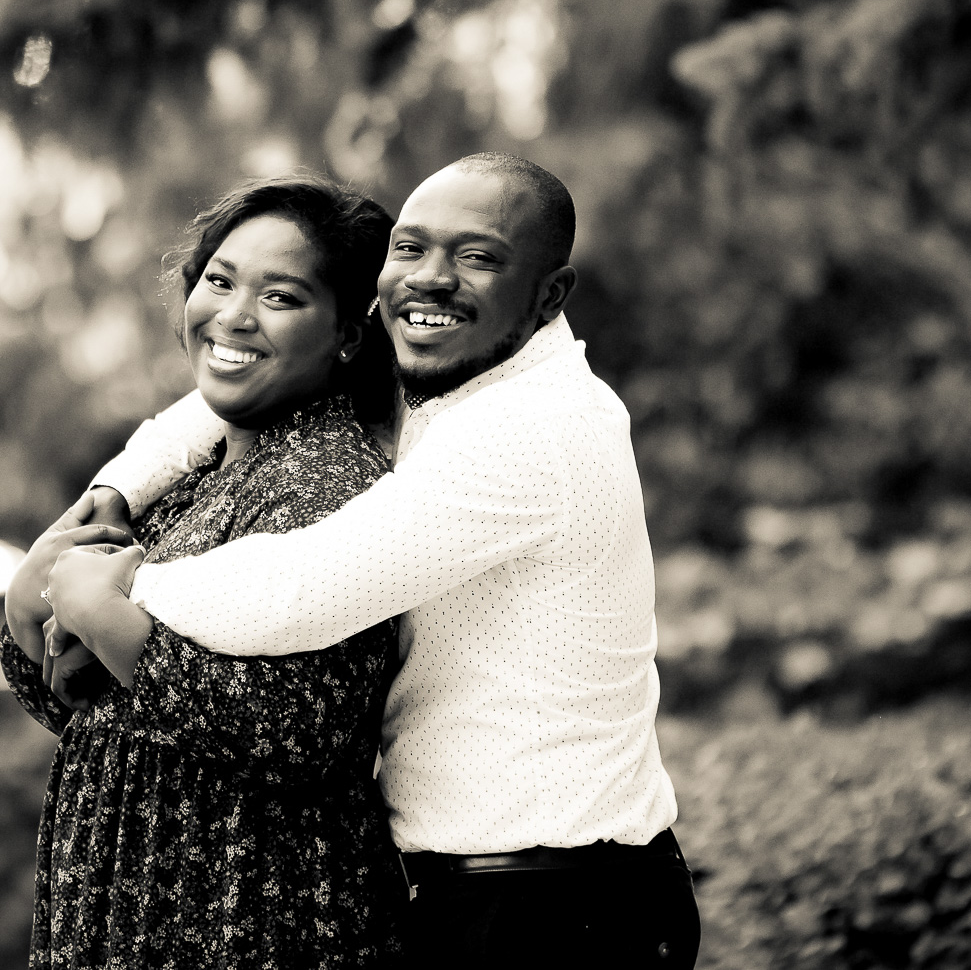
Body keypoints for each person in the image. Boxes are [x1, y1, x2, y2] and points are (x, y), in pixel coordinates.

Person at [48, 153, 702, 969]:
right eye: (411, 248)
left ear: (550, 295)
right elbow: (210, 398)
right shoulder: (462, 368)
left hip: (560, 908)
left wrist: (112, 589)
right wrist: (114, 491)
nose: (429, 280)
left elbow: (300, 589)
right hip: (493, 895)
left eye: (478, 256)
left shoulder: (530, 430)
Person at [0, 176, 407, 968]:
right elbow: (105, 709)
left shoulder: (328, 483)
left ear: (348, 335)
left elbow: (296, 729)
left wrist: (102, 617)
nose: (233, 315)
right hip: (139, 904)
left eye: (281, 297)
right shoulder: (192, 475)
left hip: (247, 911)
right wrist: (28, 616)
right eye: (219, 280)